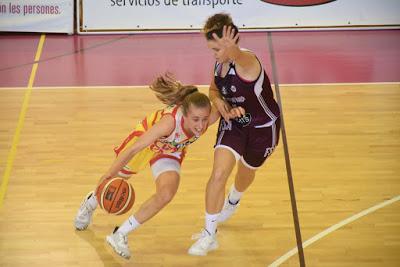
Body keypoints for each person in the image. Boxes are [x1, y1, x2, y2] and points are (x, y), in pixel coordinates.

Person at [74, 73, 243, 259]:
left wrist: (234, 111)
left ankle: (119, 234)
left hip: (170, 150)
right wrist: (107, 176)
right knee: (114, 181)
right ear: (184, 115)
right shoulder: (168, 123)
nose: (201, 125)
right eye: (195, 120)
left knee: (166, 193)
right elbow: (133, 149)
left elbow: (222, 100)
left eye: (204, 119)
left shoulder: (209, 117)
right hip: (145, 145)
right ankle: (90, 203)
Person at [188, 13, 281, 256]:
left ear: (232, 43)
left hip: (262, 127)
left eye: (218, 48)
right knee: (218, 174)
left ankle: (233, 200)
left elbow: (240, 57)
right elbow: (212, 90)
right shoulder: (219, 64)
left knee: (245, 171)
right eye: (212, 49)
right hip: (234, 123)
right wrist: (219, 104)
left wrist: (234, 50)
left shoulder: (248, 62)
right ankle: (209, 234)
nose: (215, 54)